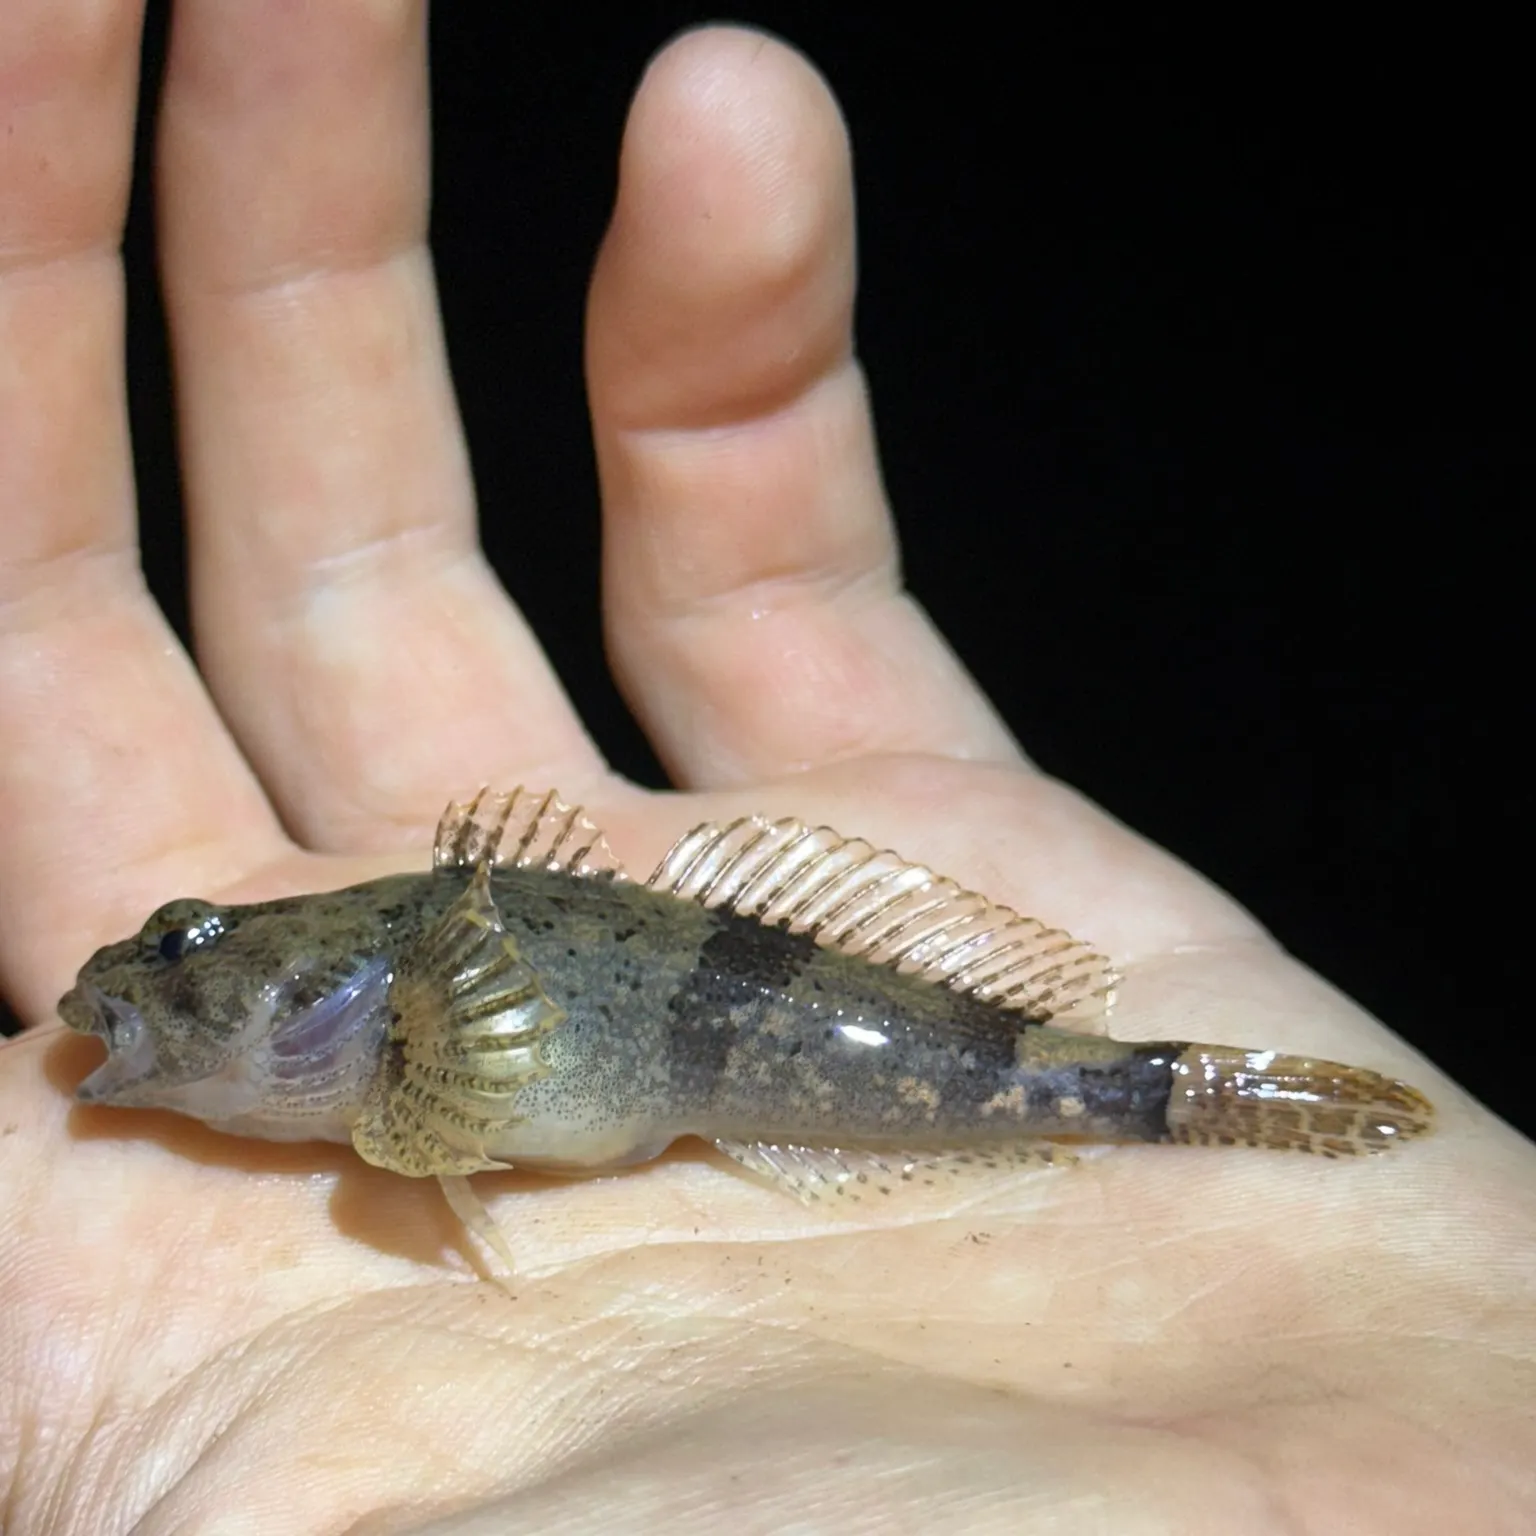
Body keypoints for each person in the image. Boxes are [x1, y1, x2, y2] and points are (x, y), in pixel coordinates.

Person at [1, 11, 1531, 1530]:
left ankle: (1167, 1094)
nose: (144, 982)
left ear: (317, 987)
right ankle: (1154, 1093)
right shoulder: (393, 1002)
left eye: (191, 945)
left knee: (1063, 1078)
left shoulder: (421, 1009)